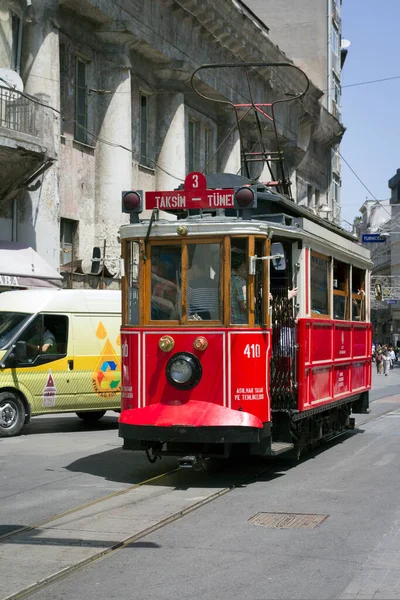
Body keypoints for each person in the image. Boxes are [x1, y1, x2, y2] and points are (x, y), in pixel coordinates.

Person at [230, 253, 247, 324]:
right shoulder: (240, 281)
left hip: (231, 321)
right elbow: (245, 306)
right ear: (243, 266)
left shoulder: (228, 278)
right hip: (240, 323)